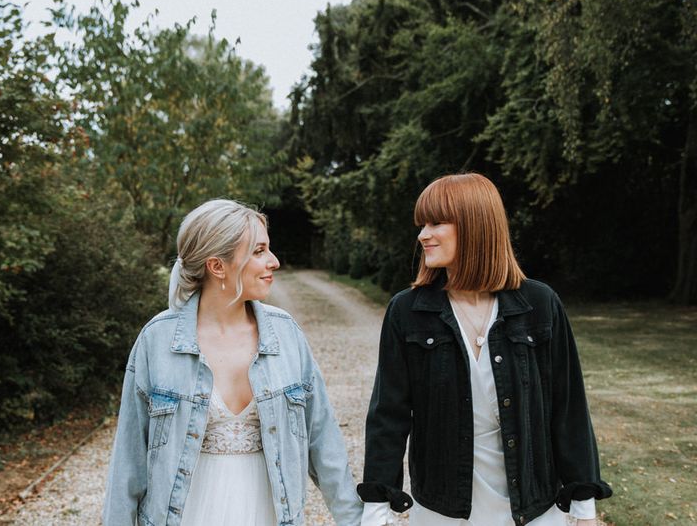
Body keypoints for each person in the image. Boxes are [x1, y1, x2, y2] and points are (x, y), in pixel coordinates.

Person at [359, 173, 612, 526]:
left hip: (534, 509)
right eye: (421, 225)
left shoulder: (540, 304)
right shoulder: (408, 312)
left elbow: (568, 408)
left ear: (474, 225)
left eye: (435, 223)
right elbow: (389, 413)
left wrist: (584, 505)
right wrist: (375, 506)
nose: (422, 235)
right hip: (442, 511)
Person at [103, 198, 362, 526]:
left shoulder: (287, 335)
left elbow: (325, 446)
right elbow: (128, 464)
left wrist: (356, 519)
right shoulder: (157, 341)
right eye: (259, 251)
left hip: (268, 513)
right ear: (217, 266)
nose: (274, 261)